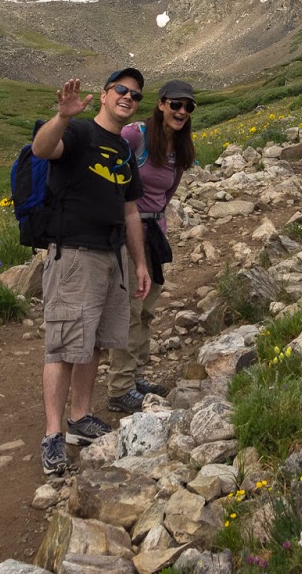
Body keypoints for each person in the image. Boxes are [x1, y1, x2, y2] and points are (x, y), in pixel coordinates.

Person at [30, 69, 152, 477]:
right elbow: (42, 149)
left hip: (111, 256)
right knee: (64, 345)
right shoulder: (80, 133)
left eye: (135, 95)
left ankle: (80, 418)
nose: (128, 98)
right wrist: (63, 116)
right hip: (74, 255)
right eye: (121, 90)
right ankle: (51, 436)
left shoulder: (124, 151)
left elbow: (131, 210)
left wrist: (139, 262)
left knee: (95, 341)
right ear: (104, 95)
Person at [106, 79, 197, 413]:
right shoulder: (135, 135)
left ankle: (136, 377)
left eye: (188, 107)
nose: (182, 111)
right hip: (128, 233)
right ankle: (119, 388)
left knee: (146, 310)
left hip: (155, 233)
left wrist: (156, 218)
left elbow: (169, 191)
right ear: (160, 104)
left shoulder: (181, 148)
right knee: (130, 311)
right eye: (176, 104)